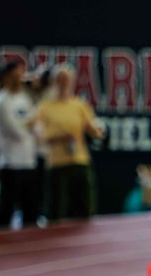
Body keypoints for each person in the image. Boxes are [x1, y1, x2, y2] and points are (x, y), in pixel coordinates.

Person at [34, 64, 104, 222]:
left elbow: (93, 128)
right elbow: (40, 135)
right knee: (56, 210)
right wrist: (60, 136)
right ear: (53, 82)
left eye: (66, 79)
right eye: (60, 80)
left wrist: (98, 131)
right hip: (57, 163)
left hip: (79, 160)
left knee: (85, 208)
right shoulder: (45, 107)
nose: (64, 83)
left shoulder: (79, 105)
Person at [0, 60, 41, 227]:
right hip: (9, 163)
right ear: (6, 78)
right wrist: (30, 124)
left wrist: (30, 125)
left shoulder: (26, 98)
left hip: (28, 161)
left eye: (20, 75)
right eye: (14, 76)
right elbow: (15, 131)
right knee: (6, 210)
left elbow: (38, 125)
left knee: (31, 211)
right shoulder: (1, 100)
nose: (19, 79)